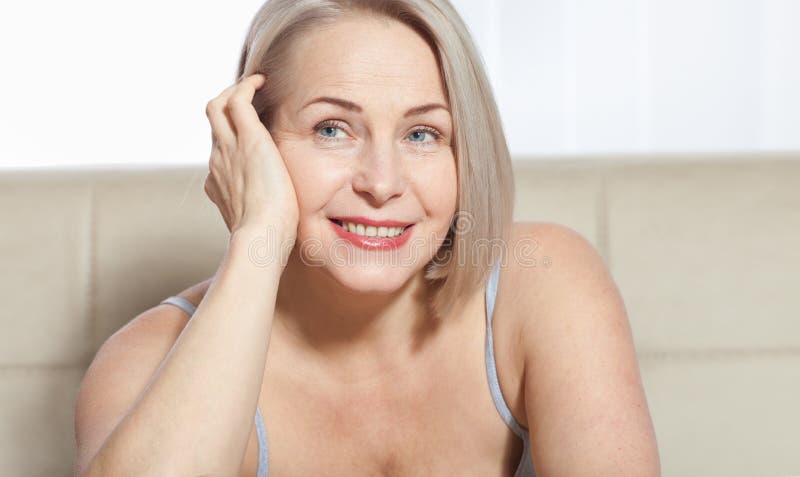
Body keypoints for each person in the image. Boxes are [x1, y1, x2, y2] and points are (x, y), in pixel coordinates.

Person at [73, 0, 660, 475]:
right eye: (332, 129)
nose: (381, 184)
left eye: (424, 134)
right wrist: (258, 236)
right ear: (251, 143)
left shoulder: (544, 283)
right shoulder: (148, 358)